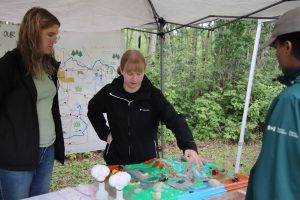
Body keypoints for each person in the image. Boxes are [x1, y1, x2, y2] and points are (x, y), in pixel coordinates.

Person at [88, 49, 203, 169]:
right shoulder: (109, 92)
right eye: (130, 73)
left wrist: (188, 145)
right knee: (117, 187)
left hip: (147, 162)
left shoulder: (153, 95)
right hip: (116, 161)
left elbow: (174, 119)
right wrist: (105, 134)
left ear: (144, 72)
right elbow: (93, 110)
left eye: (139, 74)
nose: (134, 79)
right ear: (122, 71)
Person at [0, 7, 65, 200]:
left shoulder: (48, 64)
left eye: (56, 36)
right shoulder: (9, 64)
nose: (54, 41)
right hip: (16, 156)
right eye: (50, 35)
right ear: (33, 32)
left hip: (47, 149)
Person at [246, 7, 300, 200]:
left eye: (275, 47)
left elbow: (275, 177)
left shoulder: (291, 100)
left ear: (287, 47)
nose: (275, 55)